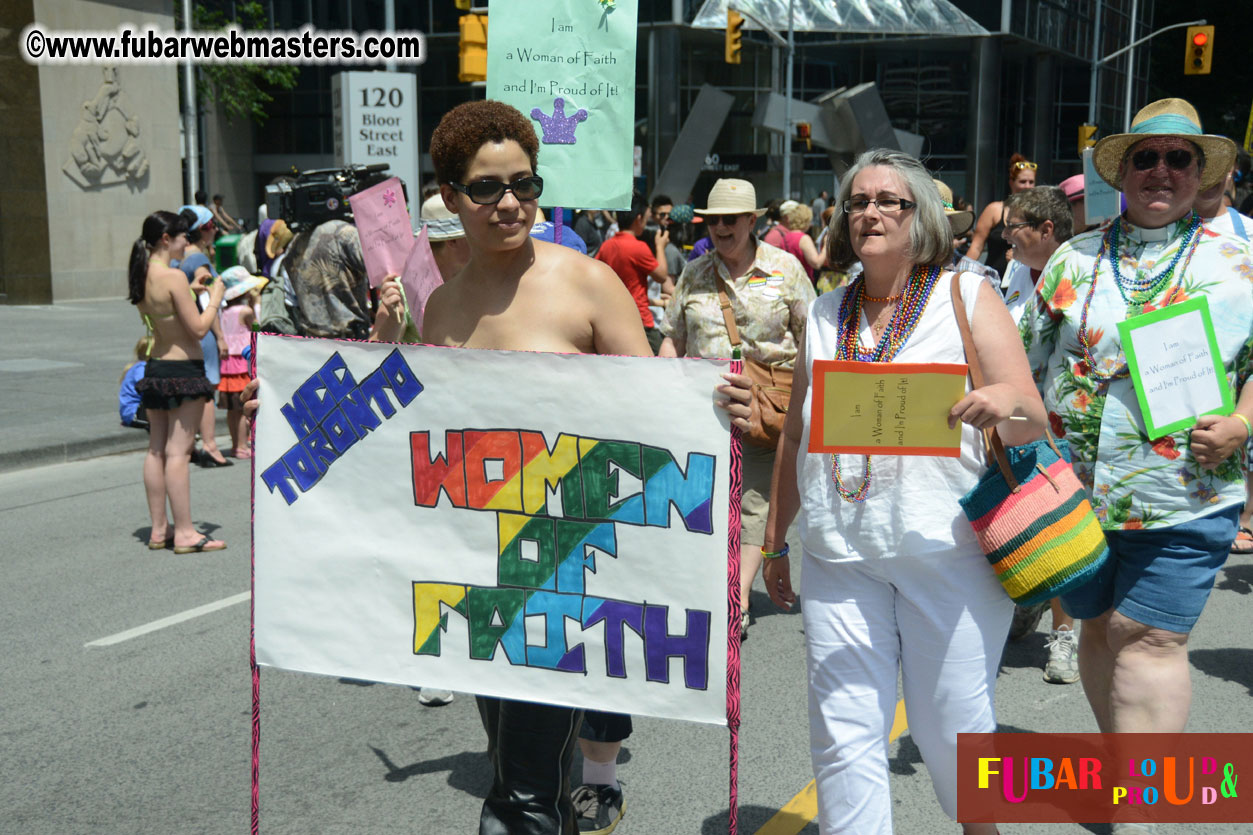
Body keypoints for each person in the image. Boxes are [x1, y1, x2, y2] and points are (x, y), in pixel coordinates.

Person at [369, 99, 651, 835]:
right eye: (488, 188)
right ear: (451, 198)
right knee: (518, 764)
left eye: (524, 184)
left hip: (568, 561)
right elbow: (431, 445)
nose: (510, 203)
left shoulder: (586, 281)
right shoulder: (443, 311)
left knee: (520, 791)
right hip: (479, 573)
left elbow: (661, 410)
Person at [761, 149, 1045, 834]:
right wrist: (772, 540)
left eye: (890, 200)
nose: (870, 212)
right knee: (843, 730)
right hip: (839, 554)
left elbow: (1030, 412)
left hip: (944, 552)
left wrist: (996, 397)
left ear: (920, 217)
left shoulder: (966, 296)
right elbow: (796, 438)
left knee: (954, 731)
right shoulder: (825, 312)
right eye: (858, 201)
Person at [1020, 100, 1251, 776]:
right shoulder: (1073, 258)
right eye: (1143, 158)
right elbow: (1025, 358)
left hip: (1184, 493)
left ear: (1198, 172)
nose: (1160, 170)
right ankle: (1120, 762)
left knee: (1146, 634)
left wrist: (1241, 422)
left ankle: (1142, 799)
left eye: (1177, 158)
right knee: (1097, 625)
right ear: (1120, 172)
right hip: (1072, 493)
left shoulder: (1242, 257)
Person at [658, 178, 815, 639]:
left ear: (753, 221)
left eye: (731, 219)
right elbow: (673, 335)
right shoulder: (694, 272)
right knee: (705, 505)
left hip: (767, 408)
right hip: (703, 412)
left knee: (755, 505)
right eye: (714, 220)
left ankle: (737, 598)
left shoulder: (786, 270)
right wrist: (662, 380)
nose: (721, 228)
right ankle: (710, 583)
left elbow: (813, 339)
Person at [995, 186, 1082, 684]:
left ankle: (1064, 636)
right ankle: (1030, 598)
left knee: (1060, 529)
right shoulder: (1012, 274)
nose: (1007, 236)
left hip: (1059, 426)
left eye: (1015, 226)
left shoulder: (1071, 273)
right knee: (1020, 526)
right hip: (1009, 423)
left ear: (1046, 229)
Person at [129, 210, 228, 554]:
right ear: (166, 239)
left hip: (156, 367)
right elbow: (199, 329)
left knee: (156, 449)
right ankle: (185, 532)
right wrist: (215, 297)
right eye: (182, 235)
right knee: (178, 451)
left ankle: (159, 529)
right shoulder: (172, 278)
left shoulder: (143, 274)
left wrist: (191, 289)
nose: (188, 240)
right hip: (183, 369)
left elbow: (167, 315)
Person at [174, 204, 233, 468]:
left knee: (194, 390)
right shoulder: (198, 259)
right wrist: (220, 335)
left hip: (184, 330)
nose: (215, 230)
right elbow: (208, 295)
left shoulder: (177, 257)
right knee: (206, 389)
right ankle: (209, 444)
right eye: (210, 226)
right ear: (201, 230)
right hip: (204, 328)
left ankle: (193, 444)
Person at [596, 193, 673, 353]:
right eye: (646, 218)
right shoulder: (639, 248)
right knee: (661, 363)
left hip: (612, 318)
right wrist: (660, 246)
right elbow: (661, 276)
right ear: (638, 218)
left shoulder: (606, 246)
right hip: (640, 320)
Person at [967, 153, 1036, 275]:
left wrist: (1020, 256)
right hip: (994, 280)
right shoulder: (994, 210)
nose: (1027, 186)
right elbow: (976, 247)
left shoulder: (1039, 213)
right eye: (1022, 181)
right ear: (1011, 182)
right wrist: (961, 274)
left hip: (1025, 280)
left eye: (1031, 182)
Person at [216, 283, 256, 459]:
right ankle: (241, 445)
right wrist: (255, 305)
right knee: (241, 408)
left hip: (227, 364)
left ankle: (235, 445)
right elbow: (257, 328)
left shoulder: (224, 311)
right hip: (241, 362)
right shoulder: (245, 311)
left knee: (232, 410)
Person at [779, 202, 826, 281]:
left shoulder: (785, 237)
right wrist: (826, 247)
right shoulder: (804, 239)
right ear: (806, 220)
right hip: (803, 282)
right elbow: (816, 263)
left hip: (789, 280)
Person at [119, 337, 150, 430]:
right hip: (135, 414)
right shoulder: (142, 368)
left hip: (130, 412)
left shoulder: (138, 366)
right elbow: (147, 388)